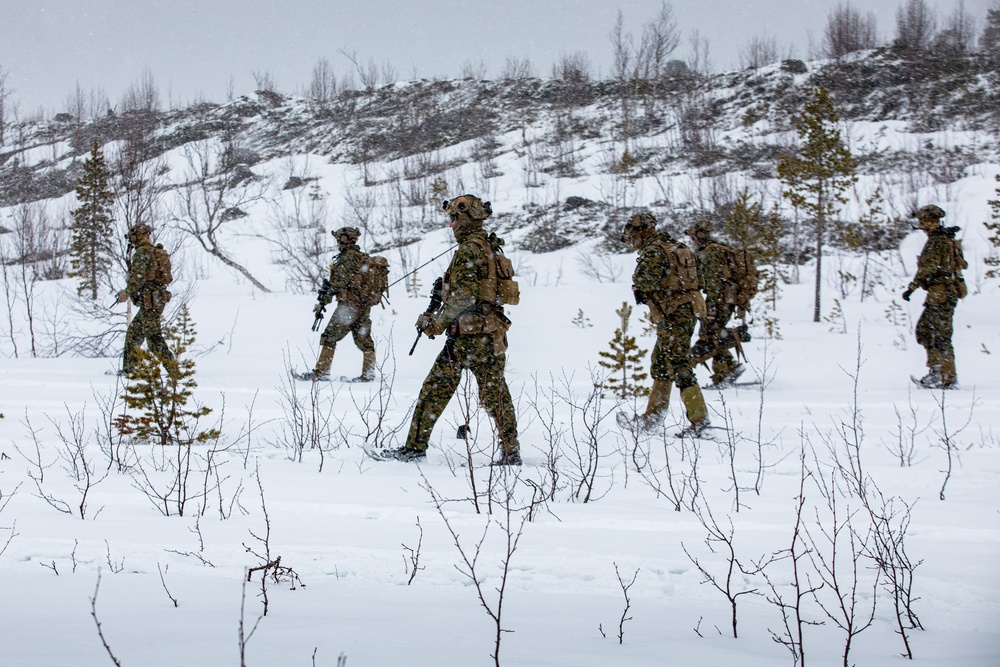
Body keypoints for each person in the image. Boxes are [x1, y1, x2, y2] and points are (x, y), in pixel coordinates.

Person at [384, 194, 521, 465]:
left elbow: (464, 297)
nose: (451, 224)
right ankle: (511, 449)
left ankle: (414, 448)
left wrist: (436, 323)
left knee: (434, 390)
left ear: (465, 219)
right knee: (496, 394)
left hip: (468, 338)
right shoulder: (489, 245)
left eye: (453, 218)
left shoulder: (470, 249)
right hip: (490, 334)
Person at [622, 212, 711, 436]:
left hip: (673, 314)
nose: (633, 240)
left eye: (633, 235)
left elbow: (644, 282)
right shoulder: (677, 246)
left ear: (642, 231)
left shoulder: (654, 251)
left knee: (679, 364)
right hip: (686, 310)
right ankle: (653, 416)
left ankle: (699, 419)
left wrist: (640, 288)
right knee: (662, 362)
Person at [902, 204, 967, 389]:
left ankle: (941, 374)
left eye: (922, 223)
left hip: (941, 294)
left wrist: (911, 288)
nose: (921, 226)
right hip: (943, 293)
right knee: (929, 331)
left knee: (936, 334)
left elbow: (928, 268)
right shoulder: (946, 239)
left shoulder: (938, 241)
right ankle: (942, 373)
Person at [303, 226, 377, 382]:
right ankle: (368, 375)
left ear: (345, 240)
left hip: (348, 308)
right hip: (363, 307)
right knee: (364, 341)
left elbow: (338, 284)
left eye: (339, 240)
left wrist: (323, 301)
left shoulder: (347, 258)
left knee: (329, 337)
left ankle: (321, 373)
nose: (337, 244)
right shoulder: (360, 257)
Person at [687, 219, 745, 387]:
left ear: (699, 237)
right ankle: (729, 367)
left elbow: (713, 283)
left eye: (693, 238)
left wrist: (710, 308)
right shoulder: (719, 249)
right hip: (727, 299)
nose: (692, 242)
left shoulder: (710, 253)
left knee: (709, 335)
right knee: (716, 334)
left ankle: (724, 373)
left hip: (721, 300)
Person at [116, 223, 174, 375]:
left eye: (134, 236)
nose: (132, 240)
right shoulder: (155, 251)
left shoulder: (142, 253)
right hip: (155, 300)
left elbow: (138, 278)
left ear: (139, 236)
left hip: (150, 301)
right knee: (134, 334)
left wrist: (127, 292)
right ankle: (130, 369)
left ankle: (173, 368)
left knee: (153, 338)